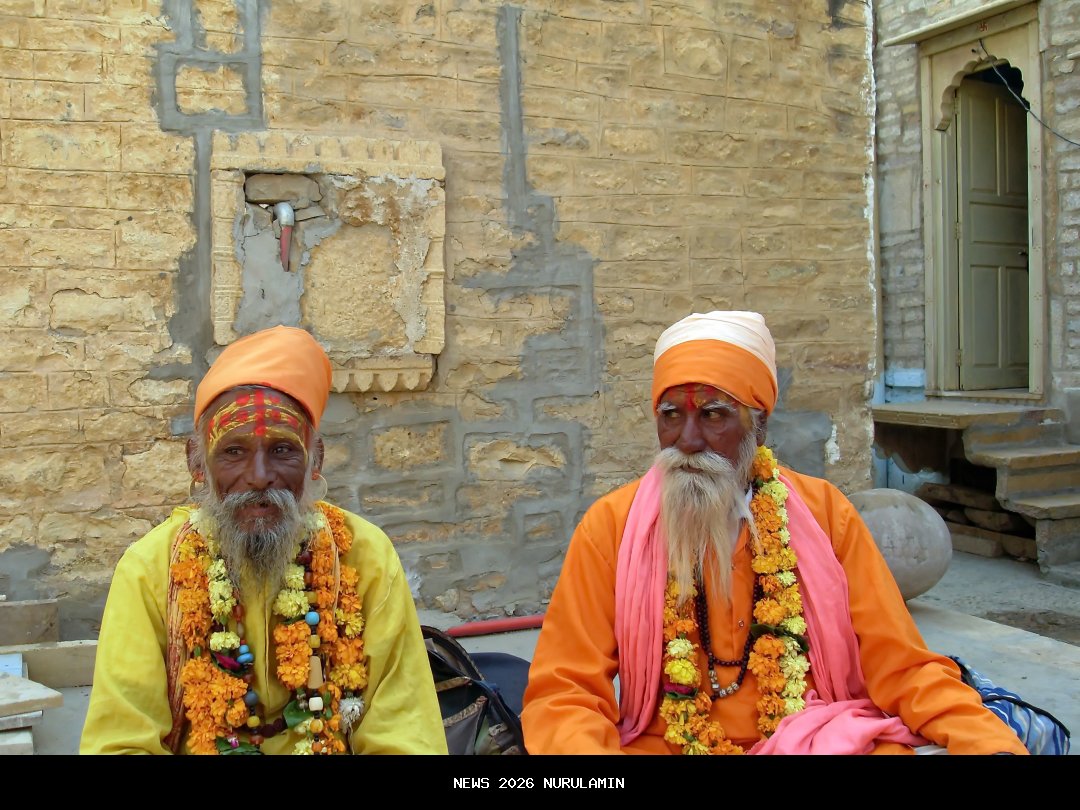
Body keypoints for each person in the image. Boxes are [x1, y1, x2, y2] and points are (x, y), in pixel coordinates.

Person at [520, 311, 1028, 755]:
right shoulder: (612, 526)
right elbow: (565, 692)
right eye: (671, 415)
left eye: (713, 414)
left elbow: (900, 663)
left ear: (759, 425)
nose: (688, 440)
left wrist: (985, 740)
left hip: (812, 739)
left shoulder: (825, 513)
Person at [80, 326, 448, 755]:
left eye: (282, 450)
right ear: (197, 463)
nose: (258, 477)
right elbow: (121, 741)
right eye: (233, 451)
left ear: (315, 459)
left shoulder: (364, 556)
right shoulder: (149, 569)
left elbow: (405, 731)